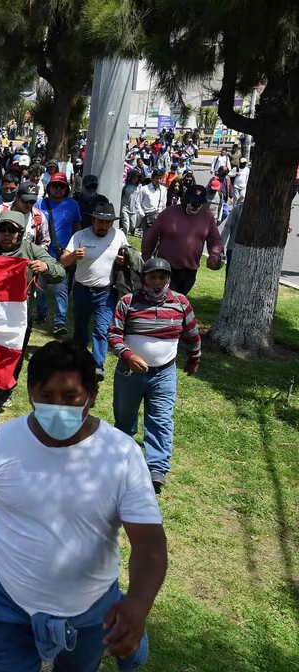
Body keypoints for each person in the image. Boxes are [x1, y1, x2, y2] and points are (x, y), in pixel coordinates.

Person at [0, 341, 167, 672]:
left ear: (91, 396)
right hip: (9, 604)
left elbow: (149, 545)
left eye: (70, 397)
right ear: (30, 393)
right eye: (46, 395)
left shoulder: (122, 454)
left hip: (92, 610)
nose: (58, 407)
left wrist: (137, 605)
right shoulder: (0, 443)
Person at [109, 257, 200, 492]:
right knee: (125, 416)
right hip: (129, 372)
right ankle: (125, 460)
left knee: (160, 419)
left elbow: (192, 333)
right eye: (153, 277)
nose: (158, 282)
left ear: (168, 278)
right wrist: (129, 356)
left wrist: (194, 357)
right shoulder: (128, 302)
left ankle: (157, 466)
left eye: (162, 277)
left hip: (164, 373)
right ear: (144, 278)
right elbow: (114, 336)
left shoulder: (180, 303)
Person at [0, 211, 65, 433]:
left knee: (13, 364)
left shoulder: (31, 250)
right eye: (2, 230)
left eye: (11, 231)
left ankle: (6, 389)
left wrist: (46, 268)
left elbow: (59, 272)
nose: (6, 235)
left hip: (18, 320)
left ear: (20, 233)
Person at [61, 202, 129, 379]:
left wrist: (124, 260)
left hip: (106, 292)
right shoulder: (80, 235)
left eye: (107, 223)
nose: (104, 226)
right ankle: (79, 361)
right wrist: (73, 255)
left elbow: (128, 256)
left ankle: (97, 366)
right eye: (100, 222)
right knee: (81, 327)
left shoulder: (119, 235)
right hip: (82, 289)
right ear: (93, 220)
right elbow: (63, 261)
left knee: (102, 329)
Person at [141, 185, 223, 295]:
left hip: (189, 272)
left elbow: (215, 239)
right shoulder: (168, 213)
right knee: (165, 300)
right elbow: (150, 238)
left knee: (179, 302)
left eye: (199, 203)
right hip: (166, 269)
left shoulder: (207, 216)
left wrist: (214, 254)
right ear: (185, 198)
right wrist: (147, 261)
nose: (195, 205)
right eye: (192, 202)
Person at [36, 172, 82, 336]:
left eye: (61, 186)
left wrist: (75, 250)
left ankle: (60, 322)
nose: (58, 189)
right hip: (42, 253)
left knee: (60, 289)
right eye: (55, 186)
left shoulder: (73, 205)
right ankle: (41, 313)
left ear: (66, 189)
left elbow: (77, 228)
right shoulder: (40, 204)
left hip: (63, 255)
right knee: (41, 289)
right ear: (49, 188)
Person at [137, 169, 167, 238]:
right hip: (147, 216)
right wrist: (142, 214)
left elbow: (164, 203)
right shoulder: (144, 189)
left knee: (157, 238)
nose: (158, 180)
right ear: (152, 178)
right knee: (147, 238)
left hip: (159, 216)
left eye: (160, 178)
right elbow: (138, 202)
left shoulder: (163, 189)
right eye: (156, 178)